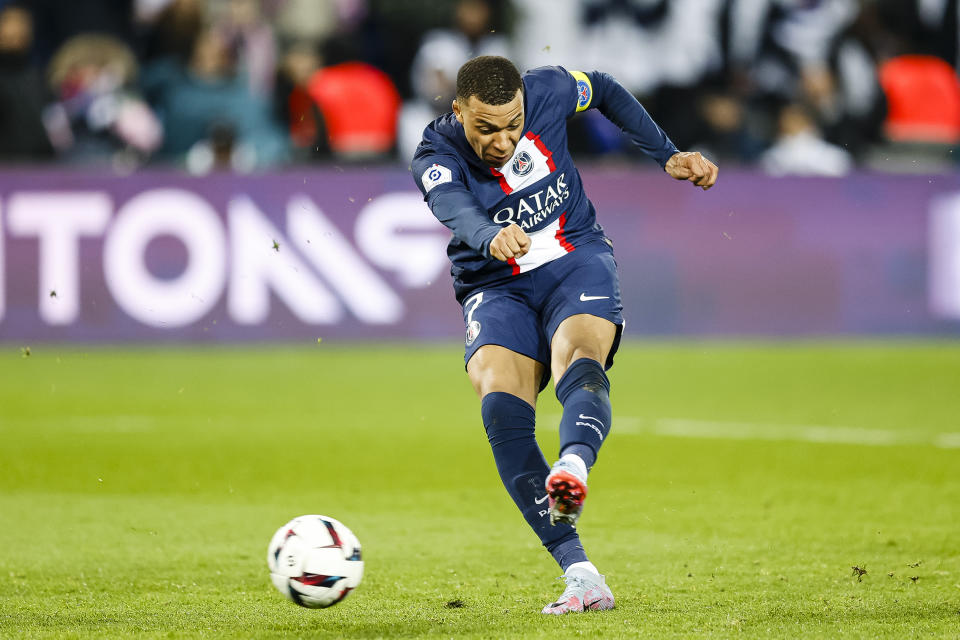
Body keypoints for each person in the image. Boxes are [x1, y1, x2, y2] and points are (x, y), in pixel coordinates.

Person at [411, 56, 717, 615]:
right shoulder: (435, 153)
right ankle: (581, 574)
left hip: (575, 258)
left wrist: (667, 152)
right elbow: (451, 205)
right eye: (485, 128)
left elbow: (601, 88)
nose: (503, 141)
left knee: (578, 353)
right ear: (458, 111)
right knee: (499, 402)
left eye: (513, 125)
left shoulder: (549, 89)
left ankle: (572, 465)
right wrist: (487, 233)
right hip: (495, 283)